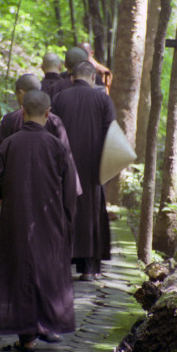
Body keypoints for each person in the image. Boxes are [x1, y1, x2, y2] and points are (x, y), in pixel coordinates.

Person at [0, 90, 77, 352]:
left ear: (23, 111)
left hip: (16, 218)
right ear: (48, 114)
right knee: (46, 267)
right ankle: (45, 325)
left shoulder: (10, 144)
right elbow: (69, 188)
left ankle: (25, 336)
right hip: (50, 218)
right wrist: (66, 217)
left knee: (19, 269)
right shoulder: (57, 146)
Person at [51, 61, 116, 281]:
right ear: (93, 79)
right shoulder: (103, 100)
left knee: (64, 212)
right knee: (91, 214)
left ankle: (61, 265)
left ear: (71, 78)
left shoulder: (59, 99)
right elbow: (112, 135)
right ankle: (89, 269)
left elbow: (51, 133)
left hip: (64, 167)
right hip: (93, 168)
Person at [0, 73, 82, 195]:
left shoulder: (10, 120)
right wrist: (69, 193)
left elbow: (1, 160)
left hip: (16, 190)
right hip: (49, 190)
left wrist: (0, 191)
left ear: (20, 92)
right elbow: (66, 158)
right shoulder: (55, 121)